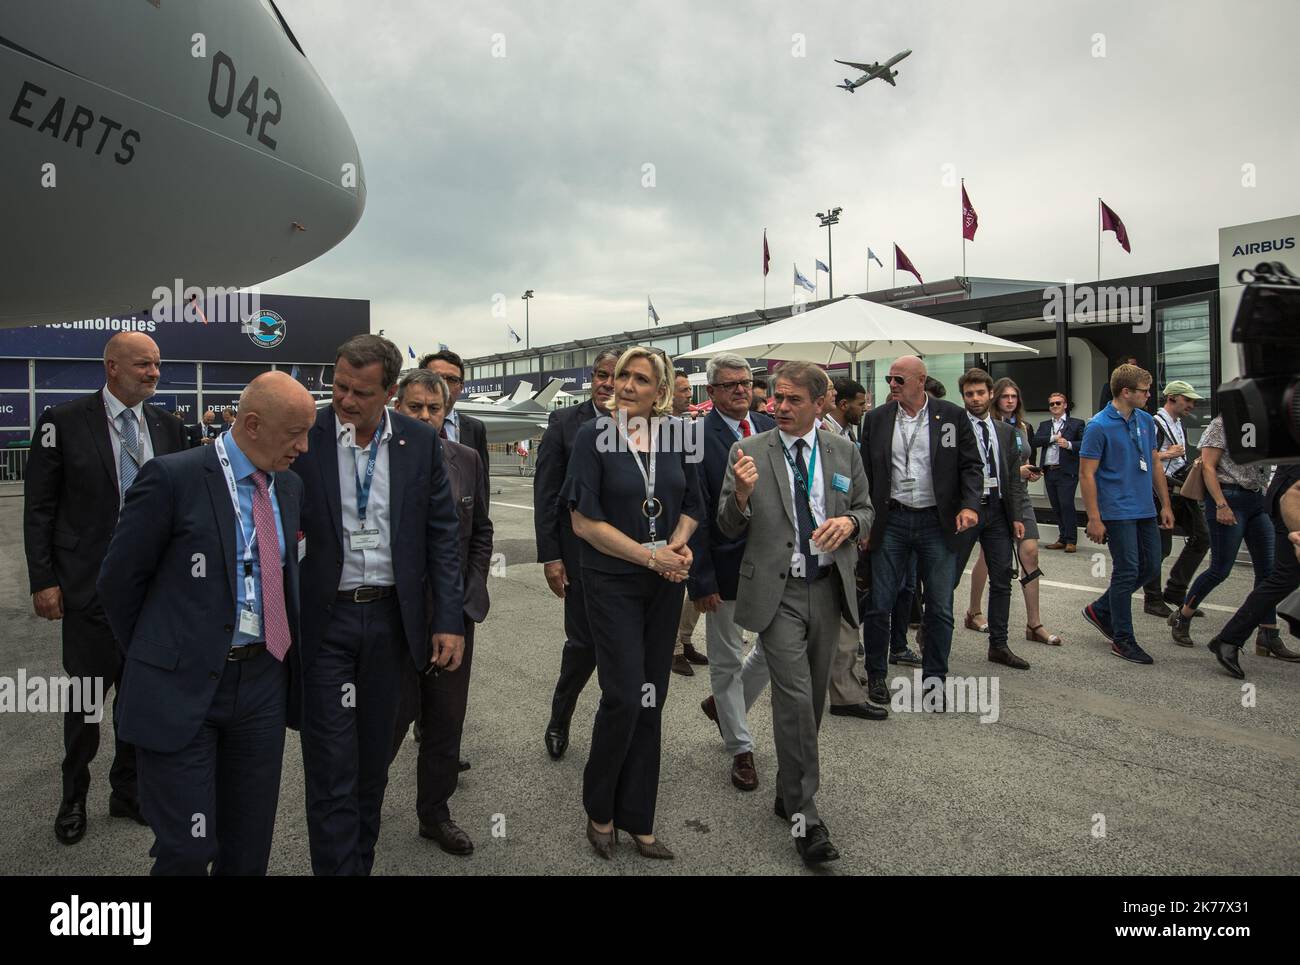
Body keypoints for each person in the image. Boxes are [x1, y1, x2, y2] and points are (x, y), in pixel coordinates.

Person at [97, 372, 316, 874]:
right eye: (294, 434)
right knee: (188, 848)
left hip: (262, 682)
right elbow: (117, 583)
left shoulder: (289, 486)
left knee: (249, 843)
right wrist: (161, 655)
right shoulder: (172, 478)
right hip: (184, 686)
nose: (303, 447)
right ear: (253, 424)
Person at [295, 335, 464, 875]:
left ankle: (357, 865)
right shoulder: (308, 436)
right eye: (338, 385)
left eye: (360, 392)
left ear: (389, 393)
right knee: (329, 768)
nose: (344, 400)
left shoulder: (417, 442)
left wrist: (448, 621)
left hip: (393, 624)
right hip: (327, 624)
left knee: (372, 767)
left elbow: (442, 537)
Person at [23, 331, 188, 846]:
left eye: (158, 365)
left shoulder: (169, 426)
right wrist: (45, 579)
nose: (154, 373)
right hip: (88, 590)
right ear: (112, 367)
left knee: (140, 697)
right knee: (87, 702)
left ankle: (128, 790)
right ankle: (74, 797)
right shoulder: (65, 423)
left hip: (153, 596)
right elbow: (40, 508)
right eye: (143, 364)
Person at [718, 360, 873, 865]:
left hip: (828, 589)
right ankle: (806, 817)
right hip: (777, 594)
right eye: (776, 398)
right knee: (794, 697)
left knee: (813, 704)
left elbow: (868, 510)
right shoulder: (747, 452)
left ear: (820, 402)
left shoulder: (843, 450)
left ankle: (788, 789)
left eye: (791, 400)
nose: (778, 407)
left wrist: (849, 523)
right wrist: (740, 496)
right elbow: (726, 525)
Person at [563, 346, 702, 860]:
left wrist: (679, 545)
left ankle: (639, 816)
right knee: (623, 694)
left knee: (651, 696)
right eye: (623, 376)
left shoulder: (675, 437)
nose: (625, 386)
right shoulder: (591, 438)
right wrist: (652, 558)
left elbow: (692, 505)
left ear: (660, 391)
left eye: (640, 379)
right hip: (612, 579)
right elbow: (584, 523)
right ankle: (600, 810)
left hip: (664, 583)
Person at [390, 369, 493, 856]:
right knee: (388, 721)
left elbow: (481, 532)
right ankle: (360, 807)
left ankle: (435, 813)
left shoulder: (467, 459)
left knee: (446, 721)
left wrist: (470, 593)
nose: (427, 417)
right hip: (394, 618)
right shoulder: (378, 460)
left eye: (435, 408)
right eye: (416, 408)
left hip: (454, 615)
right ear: (397, 406)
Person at [859, 356, 982, 707]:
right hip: (892, 520)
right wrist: (864, 521)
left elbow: (971, 465)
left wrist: (970, 505)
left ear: (920, 381)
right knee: (880, 602)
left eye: (899, 379)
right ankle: (877, 676)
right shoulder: (877, 419)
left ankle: (934, 682)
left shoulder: (951, 416)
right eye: (889, 379)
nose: (892, 384)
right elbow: (866, 472)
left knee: (940, 606)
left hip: (936, 522)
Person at [687, 354, 775, 791]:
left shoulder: (769, 426)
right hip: (723, 566)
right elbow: (695, 513)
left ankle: (722, 708)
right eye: (731, 385)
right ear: (712, 392)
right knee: (725, 658)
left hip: (773, 565)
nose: (742, 389)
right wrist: (700, 580)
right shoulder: (696, 439)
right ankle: (741, 748)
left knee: (774, 649)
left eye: (746, 382)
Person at [535, 347, 621, 760]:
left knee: (623, 652)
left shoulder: (648, 426)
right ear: (592, 376)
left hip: (633, 560)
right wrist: (552, 556)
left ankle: (616, 733)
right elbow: (547, 492)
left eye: (616, 375)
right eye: (601, 374)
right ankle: (561, 715)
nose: (607, 382)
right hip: (582, 560)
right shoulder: (566, 423)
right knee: (583, 646)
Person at [1079, 364, 1175, 664]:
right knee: (1127, 571)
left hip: (1145, 507)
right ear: (1125, 392)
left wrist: (1166, 504)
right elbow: (1087, 474)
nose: (1149, 396)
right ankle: (1123, 639)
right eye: (1144, 391)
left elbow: (1156, 463)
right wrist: (1094, 518)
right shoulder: (1097, 426)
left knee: (1150, 566)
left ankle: (1101, 609)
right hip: (1117, 511)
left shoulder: (1146, 420)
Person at [1167, 410, 1275, 648]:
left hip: (1257, 500)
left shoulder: (1262, 423)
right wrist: (1220, 504)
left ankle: (1268, 633)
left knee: (1268, 572)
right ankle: (1183, 617)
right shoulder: (1222, 424)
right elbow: (1207, 466)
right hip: (1229, 497)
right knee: (1220, 569)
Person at [968, 378, 1063, 646]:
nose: (1010, 401)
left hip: (1020, 495)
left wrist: (1029, 471)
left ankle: (1034, 624)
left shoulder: (1023, 427)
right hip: (996, 498)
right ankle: (973, 611)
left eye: (1014, 396)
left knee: (1030, 553)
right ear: (995, 398)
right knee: (988, 558)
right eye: (1005, 396)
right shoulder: (985, 426)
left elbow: (1024, 459)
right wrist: (1014, 472)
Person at [951, 370, 1033, 670]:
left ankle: (998, 645)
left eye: (980, 393)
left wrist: (1017, 516)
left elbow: (1011, 477)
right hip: (965, 511)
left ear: (990, 395)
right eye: (969, 394)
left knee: (1002, 579)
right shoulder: (954, 428)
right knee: (948, 578)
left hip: (998, 511)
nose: (975, 399)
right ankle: (934, 638)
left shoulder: (1005, 431)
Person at [1207, 464, 1300, 675]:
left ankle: (1233, 639)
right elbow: (1293, 492)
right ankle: (1229, 639)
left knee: (1283, 578)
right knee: (1284, 578)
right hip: (1291, 502)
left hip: (1286, 495)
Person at [1141, 382, 1210, 617]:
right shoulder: (1153, 423)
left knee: (1202, 537)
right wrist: (1166, 454)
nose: (1191, 405)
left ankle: (1175, 591)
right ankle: (1152, 598)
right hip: (1161, 491)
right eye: (1187, 400)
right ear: (1171, 398)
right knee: (1161, 548)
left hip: (1181, 488)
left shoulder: (1178, 423)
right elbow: (1141, 457)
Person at [669, 369, 709, 675]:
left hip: (695, 520)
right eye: (683, 390)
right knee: (679, 585)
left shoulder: (688, 426)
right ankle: (673, 648)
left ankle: (684, 639)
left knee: (697, 584)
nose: (688, 395)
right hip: (672, 525)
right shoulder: (662, 430)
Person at [421, 349, 490, 486]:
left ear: (461, 386)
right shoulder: (404, 425)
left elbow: (481, 485)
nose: (443, 385)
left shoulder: (475, 429)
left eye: (452, 380)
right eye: (436, 378)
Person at [1034, 391, 1085, 552]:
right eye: (1052, 404)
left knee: (1066, 504)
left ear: (1065, 405)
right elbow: (1035, 441)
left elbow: (1084, 444)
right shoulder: (1044, 425)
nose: (1055, 406)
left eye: (1058, 403)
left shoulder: (1076, 423)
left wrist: (1068, 444)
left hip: (1066, 471)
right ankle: (1062, 538)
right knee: (1056, 506)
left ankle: (1071, 540)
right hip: (1049, 471)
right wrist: (1053, 438)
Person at [823, 376, 867, 443]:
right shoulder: (822, 430)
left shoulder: (848, 431)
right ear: (844, 404)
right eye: (861, 404)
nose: (865, 409)